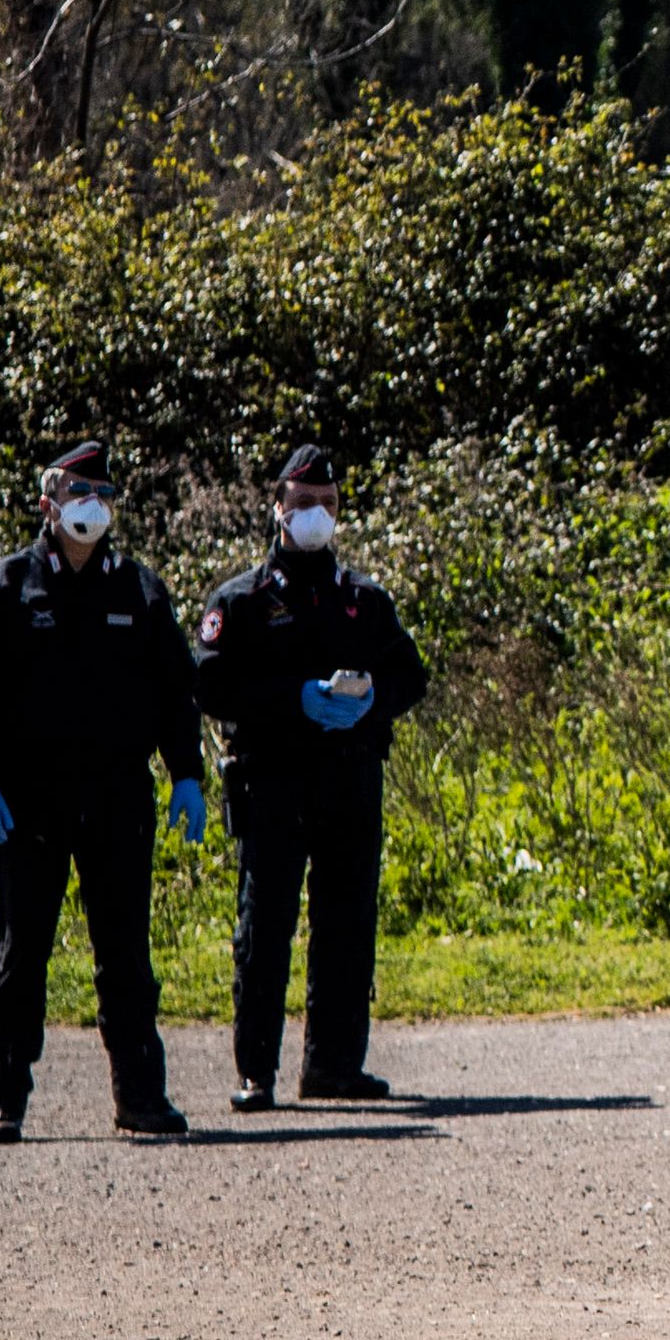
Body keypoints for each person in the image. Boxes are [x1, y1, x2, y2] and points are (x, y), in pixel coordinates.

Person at [0, 441, 211, 1145]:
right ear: (48, 501)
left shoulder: (140, 589)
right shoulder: (2, 587)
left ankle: (140, 1097)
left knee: (125, 951)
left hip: (120, 796)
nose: (90, 504)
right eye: (77, 489)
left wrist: (187, 771)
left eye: (101, 490)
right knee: (20, 953)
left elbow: (178, 689)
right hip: (29, 800)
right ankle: (5, 1099)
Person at [195, 445, 428, 1110]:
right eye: (302, 504)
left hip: (348, 782)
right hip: (272, 783)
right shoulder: (241, 601)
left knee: (348, 923)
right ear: (278, 509)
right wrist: (292, 697)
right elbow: (209, 681)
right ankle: (256, 1071)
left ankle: (333, 1065)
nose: (315, 515)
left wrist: (369, 698)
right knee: (264, 925)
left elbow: (411, 675)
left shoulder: (364, 598)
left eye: (326, 504)